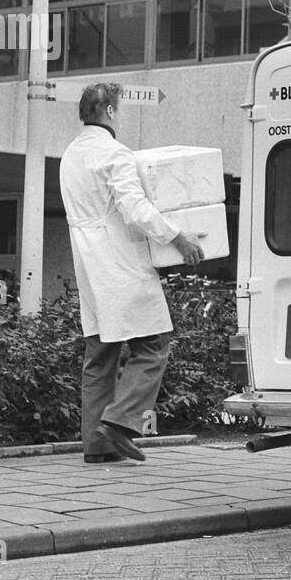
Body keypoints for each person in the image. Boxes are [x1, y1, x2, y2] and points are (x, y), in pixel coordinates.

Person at [59, 82, 205, 464]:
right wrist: (178, 239)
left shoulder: (70, 156)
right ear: (108, 111)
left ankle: (97, 445)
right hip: (119, 262)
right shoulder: (115, 153)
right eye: (118, 109)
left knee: (100, 354)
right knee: (154, 344)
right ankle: (120, 422)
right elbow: (135, 209)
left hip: (88, 264)